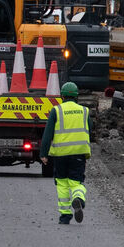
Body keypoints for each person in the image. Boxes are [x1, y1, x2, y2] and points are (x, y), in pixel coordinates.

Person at [40, 82, 93, 224]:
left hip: (60, 154)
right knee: (76, 182)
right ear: (77, 96)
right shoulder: (85, 111)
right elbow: (90, 131)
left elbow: (47, 135)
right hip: (79, 153)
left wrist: (43, 153)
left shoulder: (56, 111)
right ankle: (79, 199)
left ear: (62, 96)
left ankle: (65, 216)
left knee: (62, 183)